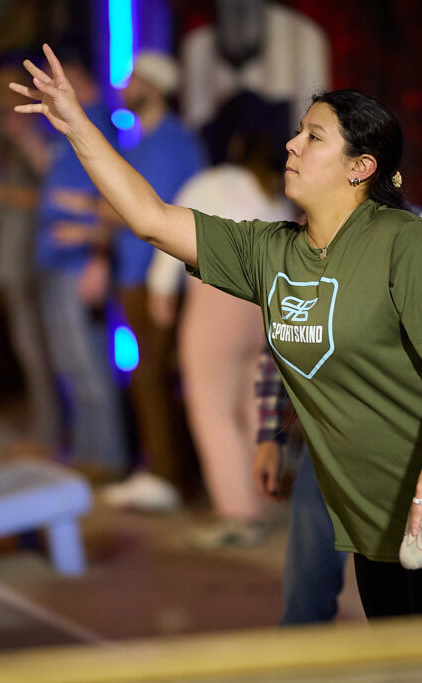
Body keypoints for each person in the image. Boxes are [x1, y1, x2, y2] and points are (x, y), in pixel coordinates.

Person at [10, 45, 422, 618]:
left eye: (314, 137)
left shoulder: (411, 242)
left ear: (360, 168)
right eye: (297, 132)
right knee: (402, 657)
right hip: (374, 519)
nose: (291, 145)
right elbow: (151, 219)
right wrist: (77, 124)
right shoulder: (272, 251)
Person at [252, 204, 422, 623]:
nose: (292, 161)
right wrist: (270, 434)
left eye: (314, 138)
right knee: (308, 595)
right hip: (334, 450)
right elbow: (282, 338)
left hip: (421, 460)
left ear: (361, 170)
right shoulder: (301, 243)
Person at [146, 125, 294, 547]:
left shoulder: (210, 183)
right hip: (266, 304)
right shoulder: (278, 196)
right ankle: (261, 499)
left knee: (212, 409)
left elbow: (175, 232)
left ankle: (237, 513)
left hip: (217, 300)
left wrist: (161, 289)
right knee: (252, 406)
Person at [94, 51, 205, 512]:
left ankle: (166, 476)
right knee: (150, 376)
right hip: (138, 274)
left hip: (157, 278)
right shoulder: (145, 140)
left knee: (154, 377)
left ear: (156, 87)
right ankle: (164, 471)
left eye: (134, 78)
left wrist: (94, 213)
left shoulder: (170, 142)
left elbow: (150, 214)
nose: (124, 86)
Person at [32, 38, 128, 478]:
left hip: (80, 264)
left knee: (89, 364)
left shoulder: (98, 123)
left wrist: (99, 255)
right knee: (71, 364)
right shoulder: (65, 125)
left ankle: (107, 459)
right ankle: (89, 454)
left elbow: (116, 195)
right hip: (56, 261)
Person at [0, 55, 59, 448]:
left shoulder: (42, 130)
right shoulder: (2, 140)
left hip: (37, 255)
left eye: (9, 88)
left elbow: (53, 193)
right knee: (27, 347)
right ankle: (43, 428)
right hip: (11, 253)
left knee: (43, 348)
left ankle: (51, 433)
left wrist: (2, 192)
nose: (1, 98)